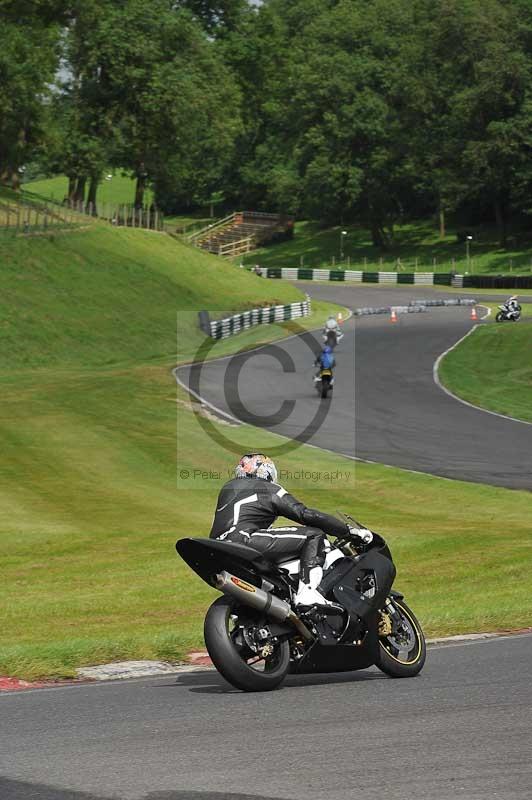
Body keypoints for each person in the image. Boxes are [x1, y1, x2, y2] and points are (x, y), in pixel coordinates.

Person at [209, 454, 371, 607]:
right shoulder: (268, 488)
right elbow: (305, 514)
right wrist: (348, 531)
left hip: (217, 547)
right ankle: (307, 593)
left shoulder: (228, 488)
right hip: (244, 539)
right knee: (314, 535)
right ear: (265, 470)